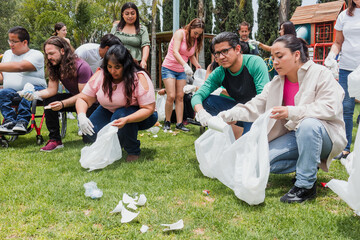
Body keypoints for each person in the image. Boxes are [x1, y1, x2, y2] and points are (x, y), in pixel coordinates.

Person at [218, 34, 346, 203]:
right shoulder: (276, 82)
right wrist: (231, 114)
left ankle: (306, 186)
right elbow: (256, 106)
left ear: (297, 55)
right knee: (262, 161)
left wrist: (291, 111)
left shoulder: (320, 73)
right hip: (296, 134)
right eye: (272, 58)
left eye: (280, 56)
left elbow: (330, 107)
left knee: (308, 125)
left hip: (325, 134)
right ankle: (307, 165)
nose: (275, 62)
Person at [76, 44, 157, 162]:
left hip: (141, 114)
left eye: (117, 67)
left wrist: (127, 120)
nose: (112, 71)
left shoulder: (138, 77)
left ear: (126, 65)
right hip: (109, 110)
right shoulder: (101, 75)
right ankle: (119, 142)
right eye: (109, 66)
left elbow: (148, 108)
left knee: (120, 116)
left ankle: (133, 150)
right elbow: (83, 98)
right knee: (91, 134)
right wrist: (82, 116)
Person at [24, 36, 96, 152]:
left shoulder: (82, 66)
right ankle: (55, 140)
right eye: (47, 54)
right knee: (49, 100)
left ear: (62, 51)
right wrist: (36, 95)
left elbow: (84, 96)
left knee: (89, 140)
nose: (49, 57)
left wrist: (62, 104)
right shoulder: (54, 66)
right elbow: (51, 90)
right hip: (74, 99)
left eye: (51, 53)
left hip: (90, 103)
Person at [191, 32, 269, 137]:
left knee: (247, 145)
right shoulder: (220, 72)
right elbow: (198, 95)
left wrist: (237, 113)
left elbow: (263, 99)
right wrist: (201, 112)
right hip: (237, 111)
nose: (221, 57)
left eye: (225, 51)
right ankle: (225, 135)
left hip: (257, 113)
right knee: (208, 101)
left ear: (237, 49)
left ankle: (244, 135)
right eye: (217, 53)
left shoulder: (255, 63)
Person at [325, 0, 360, 159]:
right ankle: (345, 148)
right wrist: (332, 56)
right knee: (346, 107)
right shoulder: (344, 16)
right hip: (347, 67)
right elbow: (338, 42)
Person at [0, 26, 46, 133]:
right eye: (9, 41)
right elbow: (3, 77)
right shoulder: (7, 54)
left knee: (27, 91)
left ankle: (22, 121)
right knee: (2, 93)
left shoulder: (36, 54)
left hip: (35, 89)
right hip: (13, 91)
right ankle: (9, 121)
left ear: (25, 42)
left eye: (14, 41)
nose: (10, 44)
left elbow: (20, 67)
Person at [162, 18, 205, 132]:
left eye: (199, 34)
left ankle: (179, 124)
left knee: (180, 96)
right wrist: (185, 65)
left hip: (181, 71)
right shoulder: (180, 33)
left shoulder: (194, 40)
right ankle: (167, 122)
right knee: (171, 96)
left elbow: (190, 55)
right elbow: (175, 51)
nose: (196, 36)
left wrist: (197, 66)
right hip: (169, 68)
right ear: (190, 27)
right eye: (195, 33)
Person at [111, 2, 150, 69]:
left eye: (132, 13)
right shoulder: (116, 28)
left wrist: (144, 60)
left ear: (136, 15)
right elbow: (110, 43)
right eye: (127, 14)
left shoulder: (142, 29)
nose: (130, 16)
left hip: (135, 64)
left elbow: (145, 45)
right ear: (122, 14)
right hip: (116, 63)